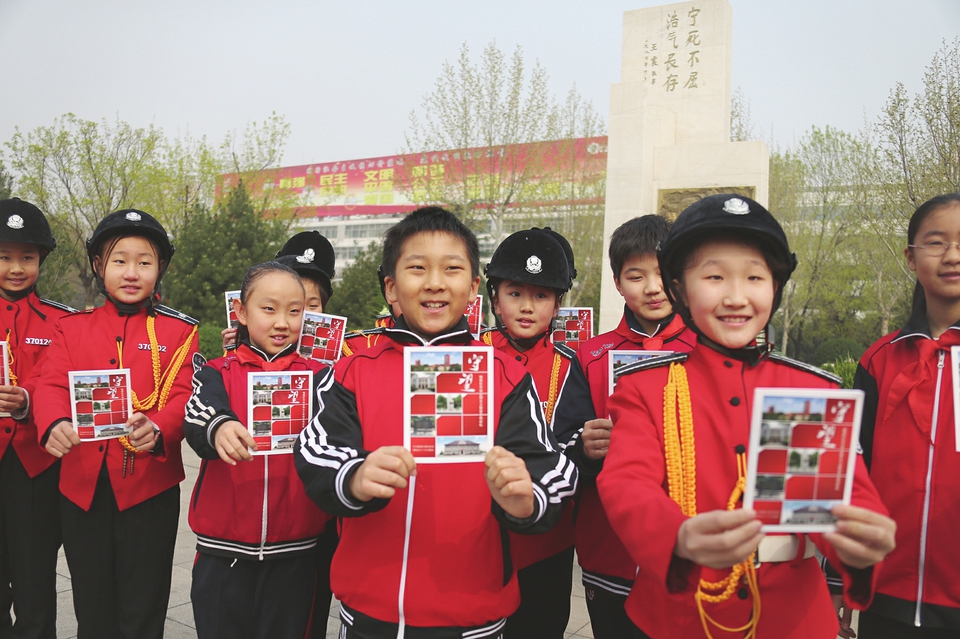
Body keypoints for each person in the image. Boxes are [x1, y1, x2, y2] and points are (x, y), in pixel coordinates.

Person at [596, 194, 896, 639]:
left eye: (755, 276)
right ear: (680, 289)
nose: (736, 297)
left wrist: (861, 539)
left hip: (793, 619)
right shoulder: (645, 387)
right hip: (680, 615)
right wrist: (677, 536)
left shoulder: (809, 390)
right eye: (714, 276)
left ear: (775, 286)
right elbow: (627, 483)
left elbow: (844, 493)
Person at [294, 206, 578, 638]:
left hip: (472, 616)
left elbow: (552, 468)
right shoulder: (353, 370)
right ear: (391, 287)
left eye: (451, 268)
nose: (434, 282)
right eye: (417, 268)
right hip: (369, 614)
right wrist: (354, 475)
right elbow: (315, 448)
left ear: (474, 287)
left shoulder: (504, 375)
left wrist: (527, 498)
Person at [34, 209, 199, 639]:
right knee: (92, 605)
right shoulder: (70, 328)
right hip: (82, 488)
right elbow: (51, 384)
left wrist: (159, 427)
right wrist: (54, 422)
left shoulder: (179, 332)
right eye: (119, 260)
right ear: (98, 265)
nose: (131, 272)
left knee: (145, 605)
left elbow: (184, 394)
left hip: (150, 489)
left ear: (160, 268)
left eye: (144, 262)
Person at [552, 214, 695, 638]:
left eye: (662, 273)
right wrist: (585, 447)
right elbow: (562, 443)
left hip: (690, 549)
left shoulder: (708, 350)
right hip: (609, 552)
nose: (652, 287)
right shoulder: (591, 356)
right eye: (636, 276)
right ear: (617, 282)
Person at [184, 261, 330, 639]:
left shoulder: (321, 377)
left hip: (296, 554)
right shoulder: (216, 372)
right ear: (241, 312)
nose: (282, 323)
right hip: (222, 553)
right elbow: (197, 414)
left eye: (294, 311)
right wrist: (219, 426)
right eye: (269, 309)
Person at [837, 192, 960, 638]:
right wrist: (842, 577)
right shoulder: (878, 360)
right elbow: (853, 472)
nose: (952, 255)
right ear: (910, 257)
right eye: (936, 242)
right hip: (885, 594)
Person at [481, 228, 577, 639]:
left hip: (547, 545)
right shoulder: (469, 357)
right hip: (480, 534)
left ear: (557, 305)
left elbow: (575, 444)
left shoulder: (572, 367)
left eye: (541, 295)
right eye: (515, 293)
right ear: (494, 298)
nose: (526, 306)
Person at [0, 198, 74, 639]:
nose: (16, 268)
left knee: (35, 579)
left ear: (41, 260)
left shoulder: (63, 322)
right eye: (4, 256)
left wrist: (27, 399)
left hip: (35, 468)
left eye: (27, 257)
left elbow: (60, 382)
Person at [221, 230, 335, 351]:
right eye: (270, 308)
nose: (303, 315)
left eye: (312, 305)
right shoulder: (235, 356)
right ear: (242, 311)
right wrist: (232, 353)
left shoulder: (340, 353)